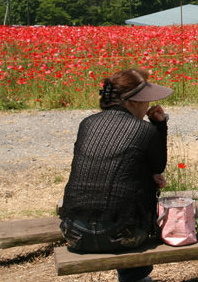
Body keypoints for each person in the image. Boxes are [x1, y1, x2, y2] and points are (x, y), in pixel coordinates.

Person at [60, 68, 172, 282]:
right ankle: (136, 278)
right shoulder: (143, 130)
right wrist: (159, 125)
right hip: (121, 236)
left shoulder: (87, 124)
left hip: (74, 232)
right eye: (145, 101)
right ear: (132, 102)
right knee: (135, 202)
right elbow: (158, 165)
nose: (148, 105)